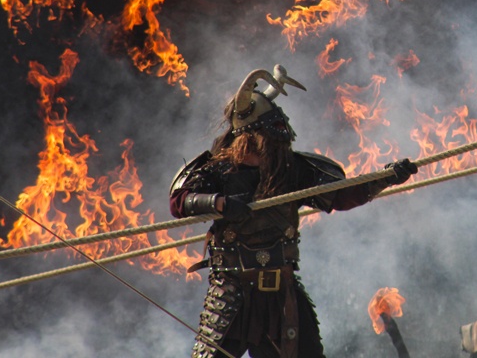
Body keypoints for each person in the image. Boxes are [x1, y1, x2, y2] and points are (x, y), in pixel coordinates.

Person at [170, 65, 417, 358]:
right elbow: (179, 201)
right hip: (232, 290)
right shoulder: (218, 170)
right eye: (269, 138)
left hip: (282, 291)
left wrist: (386, 178)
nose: (278, 144)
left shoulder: (290, 169)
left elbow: (338, 196)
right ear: (249, 136)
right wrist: (220, 204)